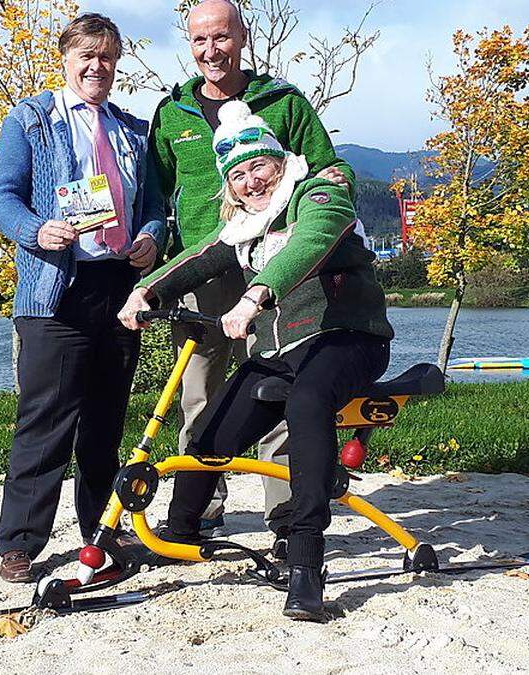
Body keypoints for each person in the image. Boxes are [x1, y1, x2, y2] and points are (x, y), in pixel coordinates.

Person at [119, 101, 392, 620]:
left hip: (346, 336)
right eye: (238, 175)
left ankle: (307, 556)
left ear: (281, 162)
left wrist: (255, 296)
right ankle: (181, 528)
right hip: (280, 350)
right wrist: (144, 293)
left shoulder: (319, 194)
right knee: (210, 432)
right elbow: (197, 259)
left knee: (308, 404)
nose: (250, 182)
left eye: (258, 167)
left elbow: (310, 243)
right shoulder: (246, 225)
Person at [148, 0, 355, 549]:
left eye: (221, 38)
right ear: (189, 45)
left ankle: (285, 514)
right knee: (200, 393)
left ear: (242, 37)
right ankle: (200, 509)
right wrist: (155, 260)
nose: (210, 51)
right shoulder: (172, 113)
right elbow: (156, 190)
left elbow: (325, 164)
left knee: (281, 383)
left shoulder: (283, 101)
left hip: (280, 265)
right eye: (199, 41)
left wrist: (341, 178)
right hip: (207, 266)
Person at [0, 13, 166, 583]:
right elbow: (4, 197)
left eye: (108, 57)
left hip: (117, 289)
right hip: (54, 290)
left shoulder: (134, 130)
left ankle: (102, 530)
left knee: (107, 421)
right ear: (65, 58)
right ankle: (20, 543)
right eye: (87, 55)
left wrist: (151, 239)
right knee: (45, 420)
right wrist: (35, 231)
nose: (98, 66)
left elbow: (156, 208)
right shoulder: (30, 119)